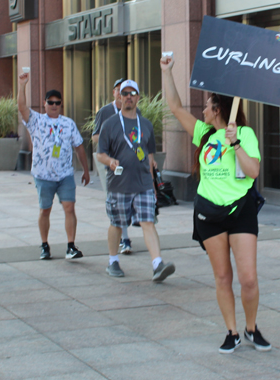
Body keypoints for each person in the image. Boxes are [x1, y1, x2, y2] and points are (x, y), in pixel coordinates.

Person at [160, 55, 270, 353]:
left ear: (217, 108)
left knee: (248, 279)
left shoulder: (244, 133)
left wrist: (235, 144)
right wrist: (167, 71)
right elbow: (175, 107)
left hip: (240, 211)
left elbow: (254, 172)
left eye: (207, 106)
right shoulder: (204, 133)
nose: (203, 110)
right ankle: (231, 332)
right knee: (223, 276)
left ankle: (250, 328)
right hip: (209, 213)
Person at [97, 79, 175, 280]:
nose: (128, 97)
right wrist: (110, 161)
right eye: (125, 93)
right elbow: (100, 154)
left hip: (143, 185)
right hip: (119, 185)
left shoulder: (146, 125)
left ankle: (157, 264)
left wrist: (153, 185)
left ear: (138, 98)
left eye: (132, 93)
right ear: (119, 97)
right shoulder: (110, 124)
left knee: (148, 222)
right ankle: (113, 261)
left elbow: (149, 157)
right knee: (117, 223)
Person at [18, 72, 90, 260]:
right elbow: (22, 107)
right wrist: (22, 85)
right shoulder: (37, 121)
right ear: (45, 104)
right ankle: (44, 245)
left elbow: (79, 147)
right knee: (45, 210)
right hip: (43, 175)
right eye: (51, 102)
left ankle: (71, 246)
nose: (54, 106)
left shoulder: (68, 123)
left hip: (65, 174)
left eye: (58, 103)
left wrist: (86, 170)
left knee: (69, 208)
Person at [92, 78, 134, 255]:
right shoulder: (105, 112)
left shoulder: (133, 112)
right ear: (114, 92)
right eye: (119, 90)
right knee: (116, 200)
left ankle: (123, 235)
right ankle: (124, 239)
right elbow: (95, 137)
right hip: (111, 162)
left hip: (129, 162)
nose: (123, 94)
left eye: (127, 92)